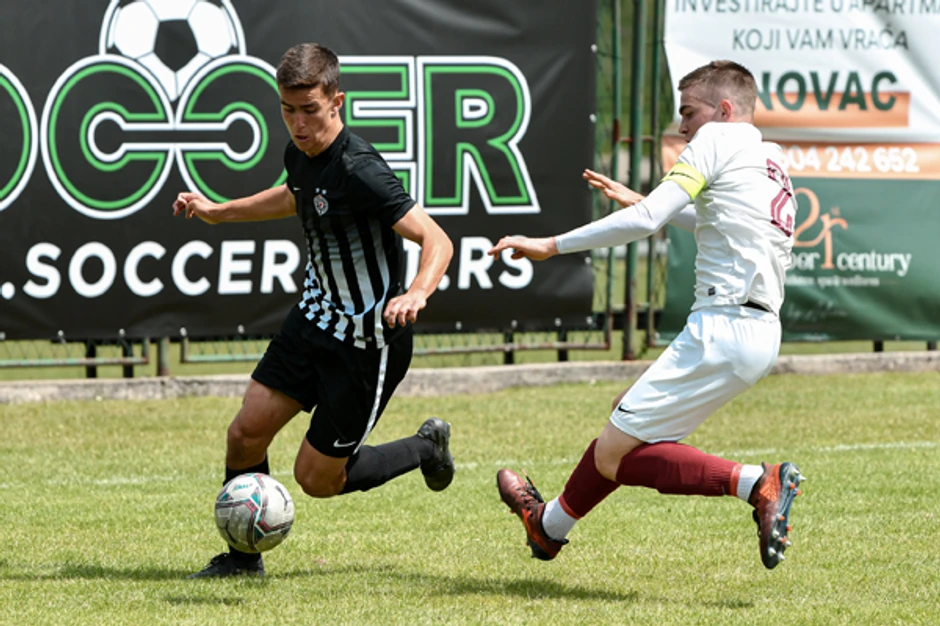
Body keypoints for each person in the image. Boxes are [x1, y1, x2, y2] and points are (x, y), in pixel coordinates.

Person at [489, 60, 805, 570]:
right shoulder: (768, 157)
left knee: (613, 453)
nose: (683, 126)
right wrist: (645, 200)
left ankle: (757, 483)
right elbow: (715, 219)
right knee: (627, 428)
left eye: (689, 112)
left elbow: (646, 221)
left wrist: (550, 245)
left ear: (724, 111)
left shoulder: (716, 139)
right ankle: (548, 527)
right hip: (759, 334)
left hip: (721, 328)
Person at [174, 43, 456, 578]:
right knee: (244, 434)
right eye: (287, 110)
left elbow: (435, 238)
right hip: (313, 320)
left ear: (337, 101)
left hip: (366, 343)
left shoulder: (360, 170)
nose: (298, 124)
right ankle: (243, 561)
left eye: (309, 110)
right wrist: (219, 212)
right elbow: (293, 196)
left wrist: (417, 292)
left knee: (317, 479)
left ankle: (425, 447)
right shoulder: (300, 154)